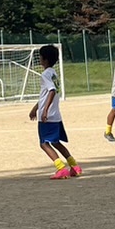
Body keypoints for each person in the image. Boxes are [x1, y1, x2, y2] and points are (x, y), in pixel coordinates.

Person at [29, 45, 81, 179]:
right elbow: (46, 94)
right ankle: (74, 166)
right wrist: (35, 108)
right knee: (55, 142)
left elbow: (51, 91)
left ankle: (61, 168)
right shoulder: (53, 73)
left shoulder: (45, 74)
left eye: (40, 57)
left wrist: (45, 110)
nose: (39, 59)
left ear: (45, 59)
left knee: (44, 143)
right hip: (55, 114)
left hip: (48, 115)